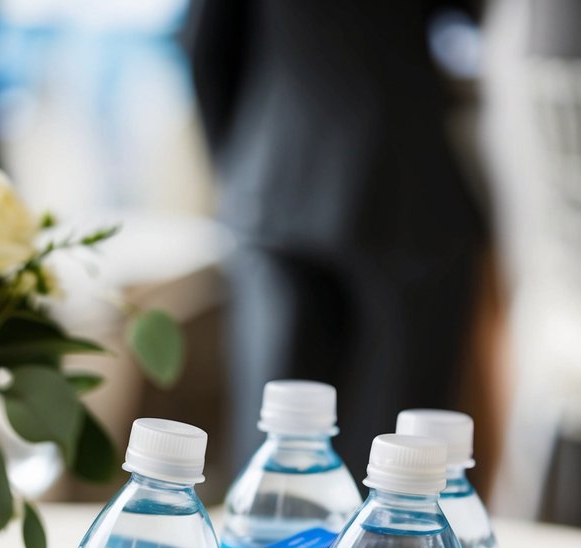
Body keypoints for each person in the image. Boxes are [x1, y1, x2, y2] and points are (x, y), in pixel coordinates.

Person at [184, 1, 500, 492]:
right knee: (396, 468)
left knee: (274, 459)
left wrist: (241, 167)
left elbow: (204, 46)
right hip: (404, 187)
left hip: (278, 177)